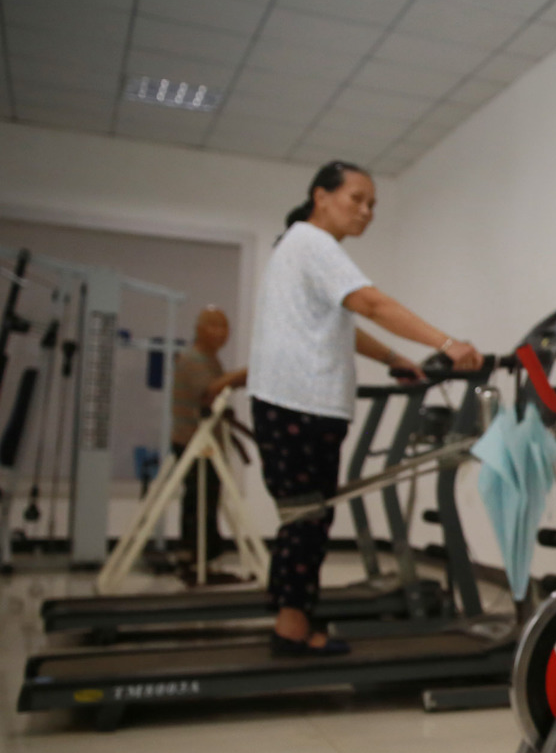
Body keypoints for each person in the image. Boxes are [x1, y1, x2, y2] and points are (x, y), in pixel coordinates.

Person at [247, 161, 482, 656]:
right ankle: (291, 630)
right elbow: (372, 304)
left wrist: (396, 359)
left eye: (372, 203)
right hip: (300, 401)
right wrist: (447, 343)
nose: (366, 211)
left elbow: (340, 325)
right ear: (321, 196)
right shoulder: (314, 243)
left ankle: (293, 617)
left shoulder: (296, 246)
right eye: (356, 198)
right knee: (306, 518)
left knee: (304, 517)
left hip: (293, 399)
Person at [168, 306, 246, 572]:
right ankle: (194, 553)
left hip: (204, 442)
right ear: (199, 329)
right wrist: (241, 375)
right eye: (214, 325)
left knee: (207, 497)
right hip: (193, 441)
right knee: (199, 499)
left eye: (225, 326)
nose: (222, 333)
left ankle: (206, 554)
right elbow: (208, 391)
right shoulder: (193, 359)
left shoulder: (209, 358)